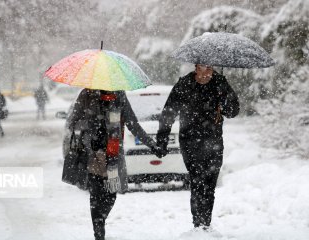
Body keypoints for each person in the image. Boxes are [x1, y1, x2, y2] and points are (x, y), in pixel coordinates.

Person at [64, 89, 162, 240]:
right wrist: (91, 123)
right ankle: (99, 231)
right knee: (96, 195)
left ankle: (100, 220)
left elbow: (132, 123)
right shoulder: (86, 94)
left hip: (113, 156)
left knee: (111, 196)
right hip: (93, 155)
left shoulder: (119, 95)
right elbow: (72, 122)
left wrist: (152, 145)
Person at [155, 64, 240, 229]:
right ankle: (198, 224)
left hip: (214, 141)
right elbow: (168, 113)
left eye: (210, 69)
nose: (206, 73)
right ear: (196, 68)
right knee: (198, 181)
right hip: (190, 142)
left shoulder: (220, 83)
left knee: (210, 185)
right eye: (203, 68)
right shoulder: (184, 84)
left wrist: (224, 99)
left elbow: (233, 111)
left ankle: (205, 224)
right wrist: (162, 140)